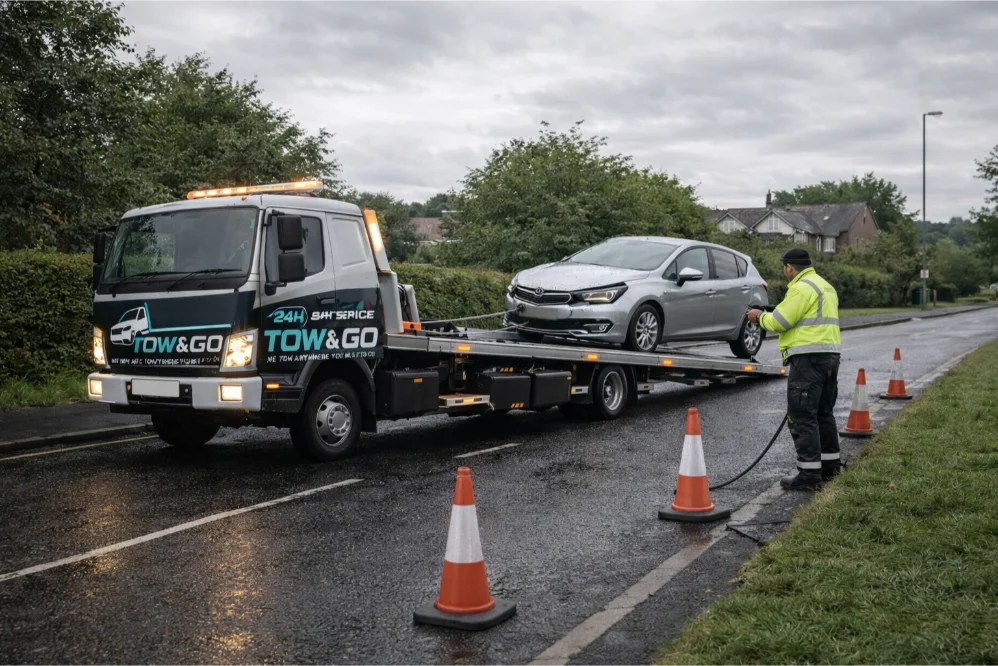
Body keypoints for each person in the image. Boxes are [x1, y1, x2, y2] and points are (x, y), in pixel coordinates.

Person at [747, 248, 842, 490]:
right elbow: (801, 316)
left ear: (789, 267)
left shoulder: (800, 288)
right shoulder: (824, 285)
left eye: (784, 268)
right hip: (829, 357)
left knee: (802, 417)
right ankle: (831, 468)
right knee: (823, 413)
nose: (784, 271)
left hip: (808, 361)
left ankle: (809, 476)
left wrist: (758, 317)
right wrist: (773, 310)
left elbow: (780, 323)